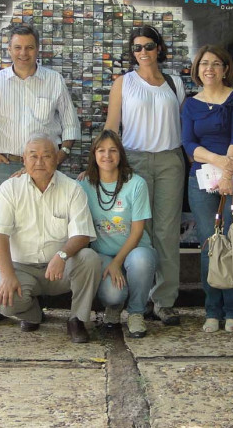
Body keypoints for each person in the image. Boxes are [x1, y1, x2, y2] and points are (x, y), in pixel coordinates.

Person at [0, 23, 80, 325]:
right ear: (9, 49)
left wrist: (57, 157)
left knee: (41, 228)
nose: (23, 53)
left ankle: (26, 301)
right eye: (17, 47)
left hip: (45, 166)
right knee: (0, 232)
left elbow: (70, 125)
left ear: (38, 49)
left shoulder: (53, 80)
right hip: (6, 165)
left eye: (29, 47)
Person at [104, 25, 185, 326]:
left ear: (160, 48)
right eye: (137, 48)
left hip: (169, 161)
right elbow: (112, 126)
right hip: (134, 161)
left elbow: (185, 126)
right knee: (137, 232)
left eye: (149, 46)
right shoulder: (123, 83)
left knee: (166, 232)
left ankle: (163, 301)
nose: (143, 52)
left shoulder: (175, 83)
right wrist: (107, 165)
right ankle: (133, 299)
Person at [0, 135, 100, 343]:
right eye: (33, 156)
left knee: (89, 259)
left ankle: (77, 320)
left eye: (46, 156)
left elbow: (82, 234)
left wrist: (62, 255)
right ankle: (33, 315)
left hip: (60, 268)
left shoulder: (72, 188)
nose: (39, 162)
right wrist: (8, 275)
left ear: (56, 159)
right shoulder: (9, 189)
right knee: (4, 302)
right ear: (24, 160)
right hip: (22, 268)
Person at [181, 45, 233, 334]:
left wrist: (228, 172)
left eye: (215, 64)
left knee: (232, 239)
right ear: (197, 70)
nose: (209, 68)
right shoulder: (190, 104)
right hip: (202, 179)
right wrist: (217, 161)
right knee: (209, 243)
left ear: (225, 69)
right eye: (203, 64)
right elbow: (188, 144)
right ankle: (212, 310)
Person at [79, 130, 157, 338]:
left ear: (121, 154)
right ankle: (113, 308)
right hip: (103, 254)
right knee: (114, 295)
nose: (107, 155)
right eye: (101, 150)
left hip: (133, 250)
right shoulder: (84, 185)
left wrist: (118, 262)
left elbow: (138, 230)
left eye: (113, 150)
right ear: (94, 155)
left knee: (142, 260)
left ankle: (136, 313)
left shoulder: (136, 183)